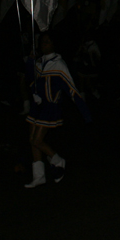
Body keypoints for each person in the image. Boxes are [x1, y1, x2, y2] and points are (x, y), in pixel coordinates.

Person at [24, 33, 91, 188]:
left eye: (47, 42)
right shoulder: (39, 61)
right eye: (42, 42)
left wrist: (85, 113)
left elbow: (72, 90)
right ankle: (39, 176)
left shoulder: (59, 64)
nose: (44, 45)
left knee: (37, 140)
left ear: (54, 45)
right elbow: (30, 79)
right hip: (37, 106)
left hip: (49, 107)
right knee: (32, 141)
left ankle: (57, 159)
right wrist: (30, 62)